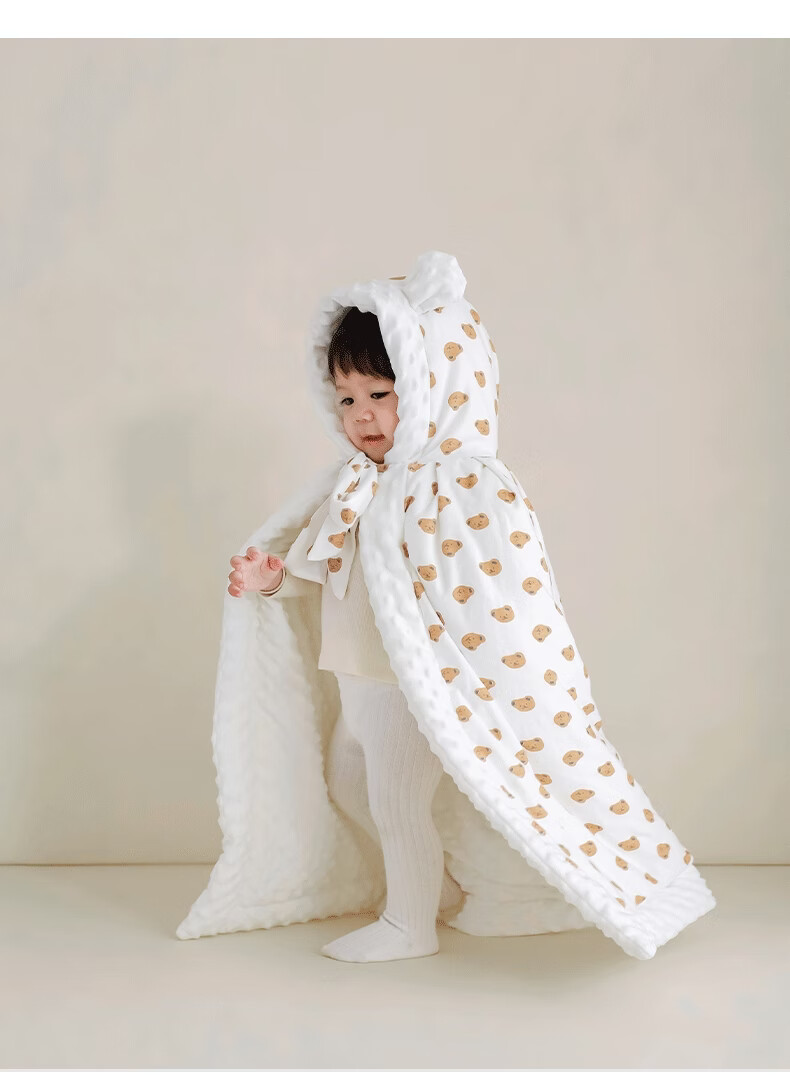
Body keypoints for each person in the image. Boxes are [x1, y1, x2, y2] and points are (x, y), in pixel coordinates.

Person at [226, 307, 464, 963]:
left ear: (423, 391)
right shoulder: (353, 487)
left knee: (396, 802)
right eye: (347, 399)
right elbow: (318, 571)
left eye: (380, 394)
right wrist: (272, 579)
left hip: (407, 681)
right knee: (350, 786)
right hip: (357, 675)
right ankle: (435, 894)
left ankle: (409, 925)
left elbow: (469, 585)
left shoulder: (440, 486)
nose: (363, 415)